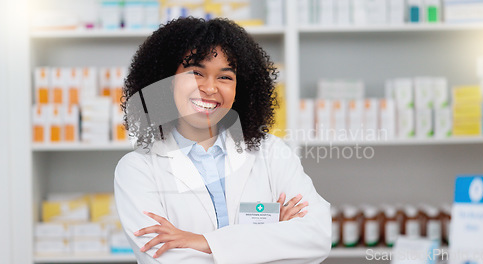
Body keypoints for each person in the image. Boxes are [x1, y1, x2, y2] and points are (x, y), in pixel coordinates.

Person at [114, 17, 331, 264]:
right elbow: (168, 259)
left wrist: (205, 242)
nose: (209, 88)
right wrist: (270, 240)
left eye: (225, 77)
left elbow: (317, 235)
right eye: (196, 73)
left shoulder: (271, 152)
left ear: (241, 87)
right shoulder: (138, 169)